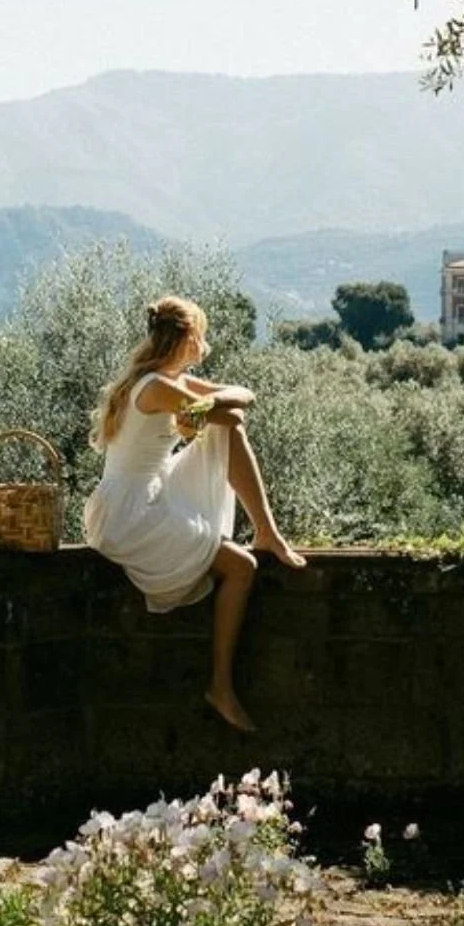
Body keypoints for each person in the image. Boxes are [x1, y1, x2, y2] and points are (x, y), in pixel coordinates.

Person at [84, 294, 306, 732]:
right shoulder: (158, 387)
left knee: (228, 428)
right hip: (132, 513)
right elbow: (234, 408)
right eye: (200, 334)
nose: (204, 342)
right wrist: (204, 409)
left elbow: (245, 396)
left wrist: (200, 409)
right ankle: (220, 686)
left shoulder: (157, 380)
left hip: (139, 497)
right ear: (187, 337)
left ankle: (266, 532)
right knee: (241, 568)